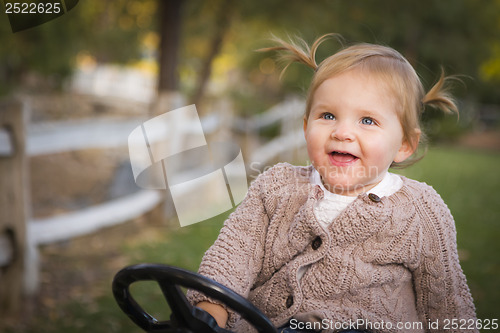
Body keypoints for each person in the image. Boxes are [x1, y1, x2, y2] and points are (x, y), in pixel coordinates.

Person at [186, 33, 478, 333]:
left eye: (367, 121)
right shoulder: (274, 187)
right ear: (305, 126)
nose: (342, 132)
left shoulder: (422, 211)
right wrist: (209, 314)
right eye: (328, 115)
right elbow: (231, 258)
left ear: (405, 144)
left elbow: (447, 305)